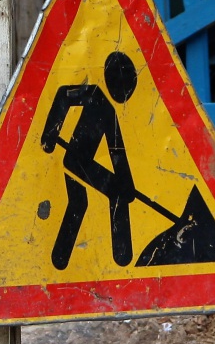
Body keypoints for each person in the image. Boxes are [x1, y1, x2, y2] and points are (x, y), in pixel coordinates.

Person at [39, 51, 141, 270]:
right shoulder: (92, 94)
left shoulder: (109, 110)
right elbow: (63, 96)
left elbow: (117, 152)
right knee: (110, 195)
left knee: (81, 202)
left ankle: (60, 259)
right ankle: (122, 256)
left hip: (78, 162)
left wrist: (128, 184)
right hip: (76, 161)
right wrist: (49, 134)